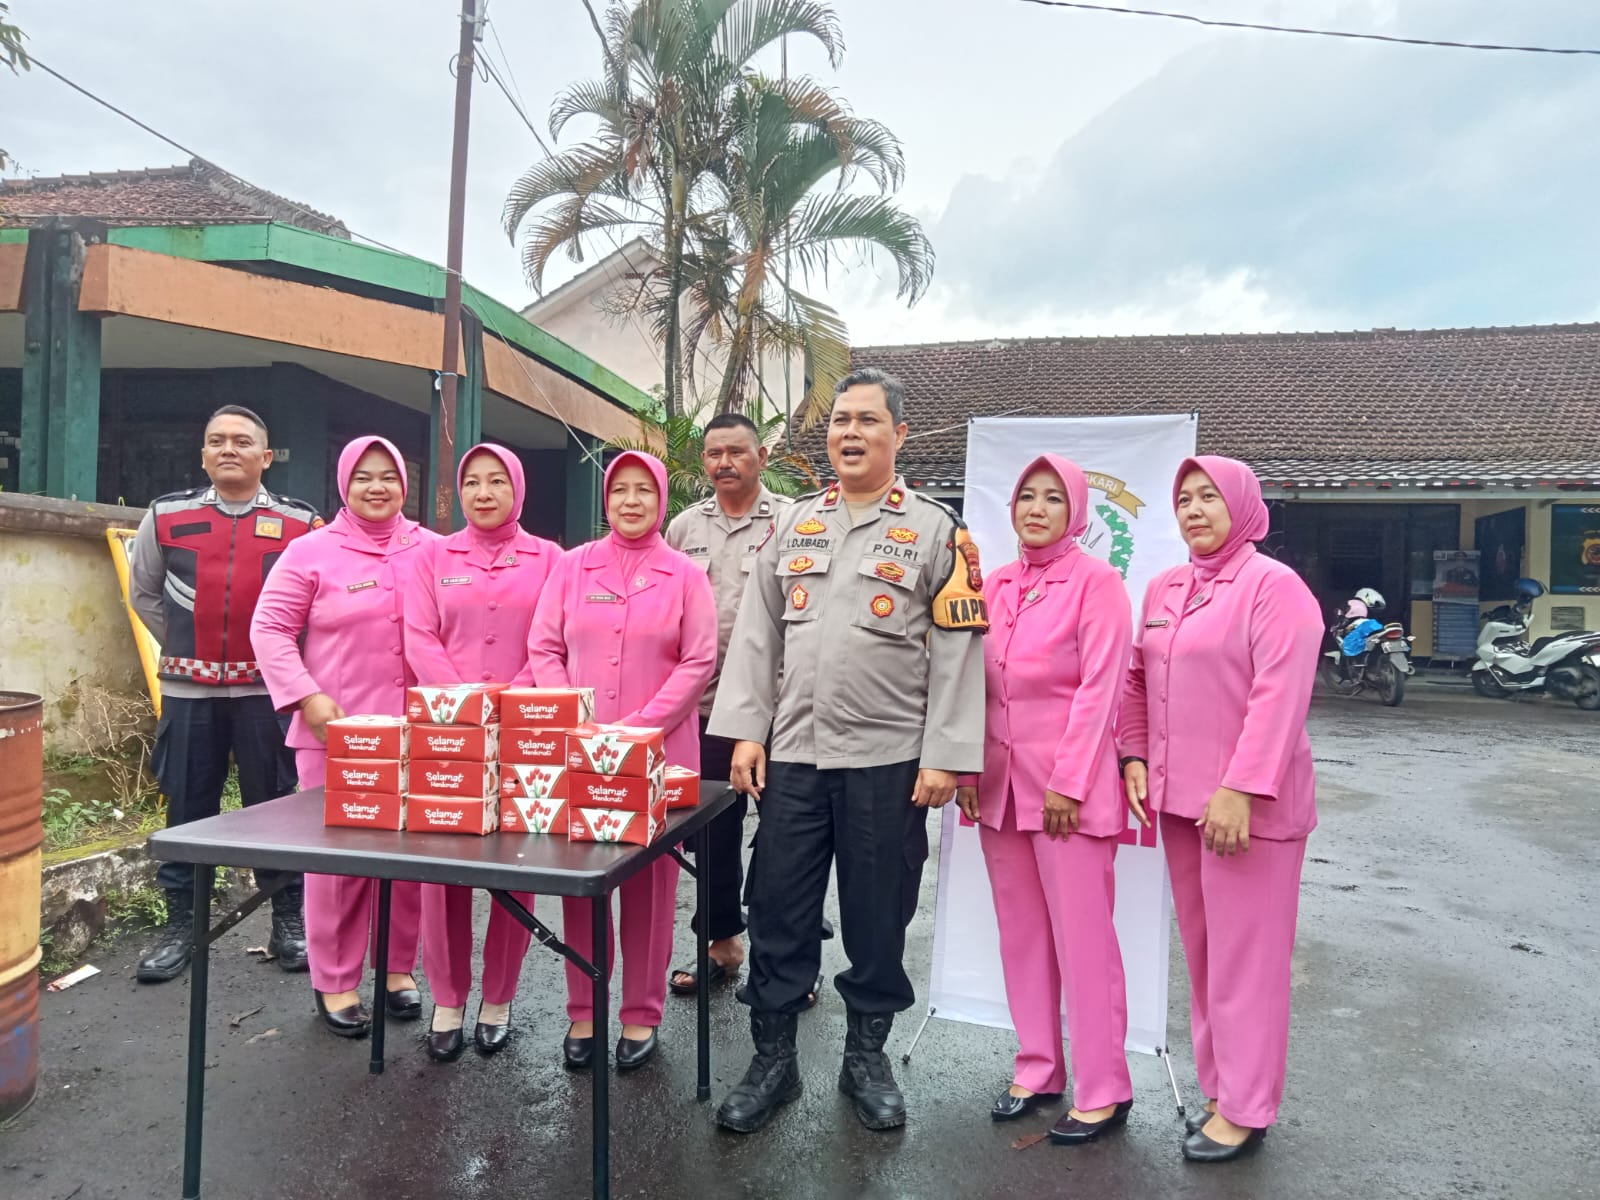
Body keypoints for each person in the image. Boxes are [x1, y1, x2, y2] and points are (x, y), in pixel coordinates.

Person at [709, 367, 988, 1134]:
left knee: (877, 915)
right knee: (777, 909)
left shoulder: (937, 531)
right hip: (795, 754)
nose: (851, 433)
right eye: (840, 421)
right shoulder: (795, 523)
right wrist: (747, 732)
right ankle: (773, 1063)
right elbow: (759, 634)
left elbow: (959, 649)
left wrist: (945, 754)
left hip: (888, 760)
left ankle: (866, 1059)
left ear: (899, 434)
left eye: (868, 420)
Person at [1120, 455, 1321, 1163]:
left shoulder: (1274, 588)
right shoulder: (1166, 587)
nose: (1195, 510)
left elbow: (1279, 695)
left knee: (1248, 965)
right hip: (1181, 805)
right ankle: (1220, 1089)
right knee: (1207, 959)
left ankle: (1246, 1108)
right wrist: (1133, 754)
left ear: (1243, 505)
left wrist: (1241, 788)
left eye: (1209, 496)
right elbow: (1137, 680)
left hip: (1249, 811)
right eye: (1184, 499)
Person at [953, 453, 1136, 1144]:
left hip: (1069, 797)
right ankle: (1037, 1067)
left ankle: (1104, 1088)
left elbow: (1101, 689)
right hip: (999, 789)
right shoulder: (995, 584)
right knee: (1023, 935)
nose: (1036, 509)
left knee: (1083, 943)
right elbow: (969, 680)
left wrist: (1069, 781)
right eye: (1026, 496)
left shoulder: (1099, 584)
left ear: (1076, 511)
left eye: (1053, 498)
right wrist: (966, 771)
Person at [526, 450, 717, 1072]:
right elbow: (544, 646)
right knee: (582, 885)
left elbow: (699, 660)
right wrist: (575, 715)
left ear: (661, 500)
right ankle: (584, 1010)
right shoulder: (573, 566)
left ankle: (641, 1013)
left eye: (644, 490)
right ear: (605, 499)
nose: (631, 501)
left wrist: (636, 728)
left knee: (651, 887)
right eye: (619, 490)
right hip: (580, 751)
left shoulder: (685, 574)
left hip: (659, 754)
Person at [128, 405, 321, 984]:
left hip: (268, 695)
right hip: (189, 695)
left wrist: (281, 669)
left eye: (241, 441)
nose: (228, 450)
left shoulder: (300, 524)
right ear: (203, 454)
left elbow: (314, 608)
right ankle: (181, 927)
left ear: (266, 456)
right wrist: (187, 651)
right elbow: (144, 596)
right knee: (187, 811)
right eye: (217, 441)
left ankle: (288, 921)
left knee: (276, 809)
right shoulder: (166, 515)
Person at [251, 436, 433, 1038]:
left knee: (409, 858)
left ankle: (397, 967)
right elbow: (270, 628)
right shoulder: (310, 551)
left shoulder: (431, 549)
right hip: (336, 734)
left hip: (417, 733)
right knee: (337, 864)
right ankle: (334, 977)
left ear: (404, 483)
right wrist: (306, 695)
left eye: (388, 476)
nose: (376, 487)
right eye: (363, 477)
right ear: (343, 483)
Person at [664, 413, 831, 1002]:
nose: (725, 463)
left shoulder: (795, 520)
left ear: (761, 456)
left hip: (782, 709)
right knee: (711, 834)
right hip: (707, 708)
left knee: (790, 838)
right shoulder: (684, 528)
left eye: (737, 452)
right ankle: (721, 945)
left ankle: (792, 960)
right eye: (714, 453)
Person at [404, 444, 563, 1061]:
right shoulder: (432, 557)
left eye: (498, 481)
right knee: (441, 867)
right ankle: (447, 998)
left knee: (514, 865)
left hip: (524, 730)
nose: (484, 492)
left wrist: (511, 696)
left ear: (517, 489)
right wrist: (463, 702)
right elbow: (419, 635)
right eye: (472, 482)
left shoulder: (550, 559)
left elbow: (551, 639)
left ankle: (499, 998)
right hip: (448, 732)